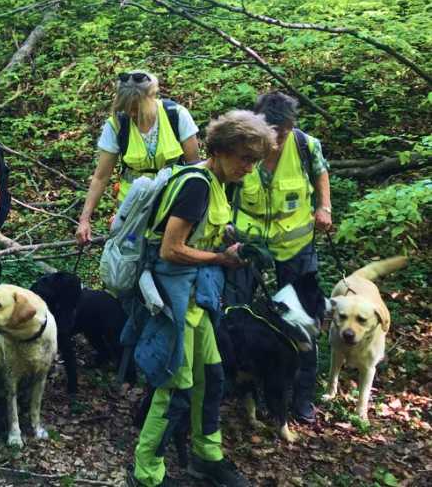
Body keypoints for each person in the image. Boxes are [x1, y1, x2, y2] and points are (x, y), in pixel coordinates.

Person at [128, 110, 275, 487]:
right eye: (245, 158)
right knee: (173, 385)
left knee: (210, 378)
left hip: (199, 301)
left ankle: (206, 457)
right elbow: (170, 249)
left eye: (254, 161)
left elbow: (206, 230)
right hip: (175, 301)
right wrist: (220, 259)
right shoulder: (196, 185)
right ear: (222, 149)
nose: (249, 167)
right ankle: (147, 474)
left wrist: (233, 241)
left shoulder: (217, 183)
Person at [225, 91, 332, 423]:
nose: (275, 141)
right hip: (248, 245)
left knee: (305, 324)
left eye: (282, 133)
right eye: (271, 133)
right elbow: (224, 186)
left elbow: (321, 174)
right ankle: (239, 388)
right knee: (236, 313)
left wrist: (323, 207)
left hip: (296, 247)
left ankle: (300, 398)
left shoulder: (305, 146)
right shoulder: (241, 147)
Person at [76, 70, 200, 246]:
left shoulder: (176, 115)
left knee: (169, 256)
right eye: (126, 108)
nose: (131, 113)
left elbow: (196, 168)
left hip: (172, 209)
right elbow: (100, 177)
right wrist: (84, 219)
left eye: (136, 107)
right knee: (131, 253)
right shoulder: (117, 124)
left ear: (152, 96)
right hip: (132, 212)